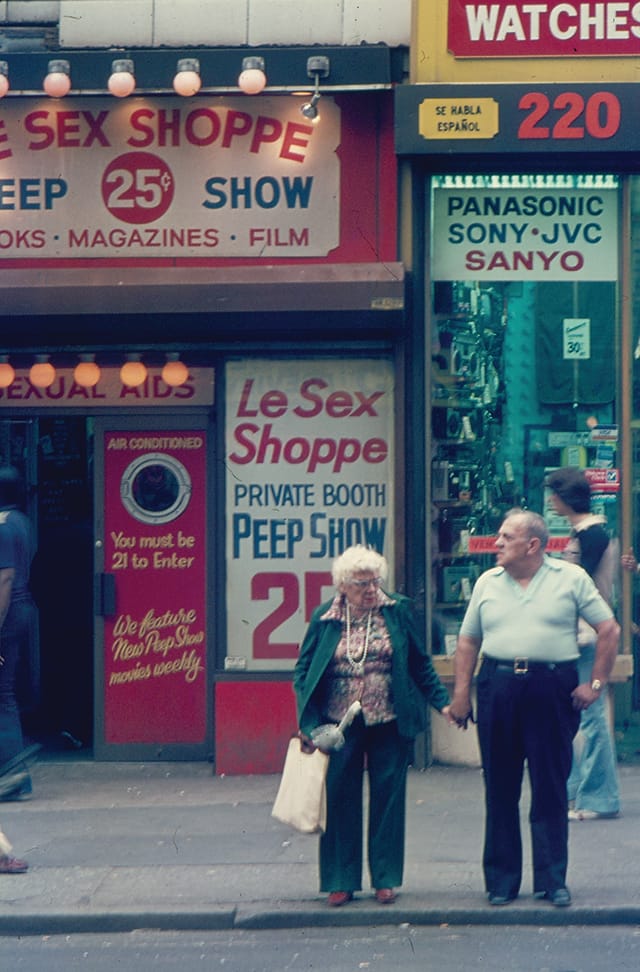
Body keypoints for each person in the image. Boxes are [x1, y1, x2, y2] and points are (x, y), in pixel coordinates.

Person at [449, 509, 619, 908]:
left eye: (506, 537)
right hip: (498, 685)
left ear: (533, 545)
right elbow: (468, 641)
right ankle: (502, 881)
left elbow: (608, 629)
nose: (497, 543)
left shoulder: (570, 579)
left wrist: (595, 684)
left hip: (551, 687)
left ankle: (551, 880)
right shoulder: (487, 582)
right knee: (500, 786)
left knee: (550, 786)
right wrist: (460, 694)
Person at [294, 545, 453, 907]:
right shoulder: (326, 617)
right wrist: (308, 722)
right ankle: (340, 880)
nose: (371, 590)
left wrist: (442, 703)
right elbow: (303, 672)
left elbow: (419, 663)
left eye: (375, 581)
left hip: (389, 720)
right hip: (339, 725)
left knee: (388, 798)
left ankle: (385, 878)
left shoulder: (395, 611)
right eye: (361, 584)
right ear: (342, 586)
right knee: (340, 798)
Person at [546, 467, 621, 821]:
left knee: (591, 718)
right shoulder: (588, 532)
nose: (550, 501)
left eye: (553, 494)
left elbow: (578, 586)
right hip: (580, 634)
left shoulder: (591, 535)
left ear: (564, 497)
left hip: (587, 635)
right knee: (576, 718)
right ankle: (577, 788)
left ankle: (598, 797)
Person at [0, 466, 37, 802]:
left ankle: (11, 774)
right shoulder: (23, 522)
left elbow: (4, 579)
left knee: (2, 694)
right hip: (21, 611)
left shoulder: (2, 526)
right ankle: (13, 773)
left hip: (6, 616)